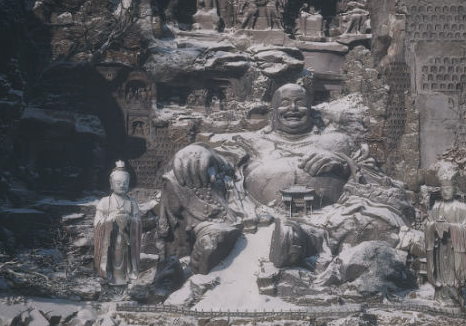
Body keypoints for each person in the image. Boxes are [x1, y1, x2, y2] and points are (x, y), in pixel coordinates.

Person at [158, 83, 408, 271]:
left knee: (379, 219)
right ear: (273, 112)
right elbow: (221, 157)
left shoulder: (337, 141)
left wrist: (343, 164)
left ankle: (301, 242)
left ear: (310, 109)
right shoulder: (253, 141)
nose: (293, 109)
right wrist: (198, 150)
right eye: (285, 103)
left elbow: (377, 180)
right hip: (251, 212)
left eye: (300, 103)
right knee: (184, 173)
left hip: (329, 215)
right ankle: (213, 233)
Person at [424, 175, 466, 311]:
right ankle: (440, 296)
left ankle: (454, 297)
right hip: (439, 247)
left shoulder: (462, 207)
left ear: (454, 189)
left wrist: (450, 228)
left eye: (448, 188)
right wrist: (434, 227)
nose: (445, 192)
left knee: (453, 273)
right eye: (442, 189)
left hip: (454, 247)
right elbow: (427, 225)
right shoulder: (436, 207)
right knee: (440, 274)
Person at [92, 161, 142, 285]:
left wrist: (130, 220)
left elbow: (138, 223)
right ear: (111, 184)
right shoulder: (105, 202)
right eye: (118, 183)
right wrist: (110, 220)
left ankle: (125, 279)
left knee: (125, 260)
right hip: (109, 242)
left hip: (126, 242)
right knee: (109, 259)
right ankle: (106, 275)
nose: (122, 185)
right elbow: (97, 223)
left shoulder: (132, 203)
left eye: (125, 183)